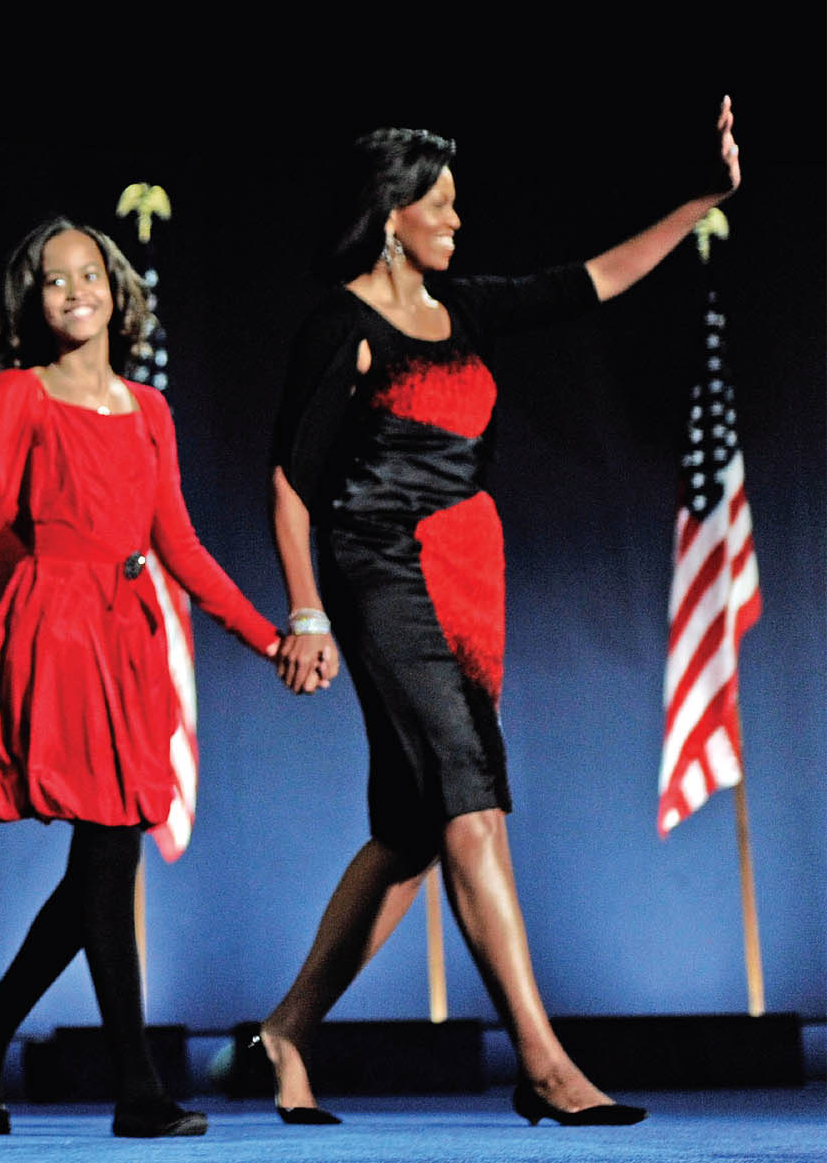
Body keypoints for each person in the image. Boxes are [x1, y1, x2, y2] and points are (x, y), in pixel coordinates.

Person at [246, 102, 742, 1127]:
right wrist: (303, 612)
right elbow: (291, 484)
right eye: (441, 205)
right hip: (376, 570)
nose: (457, 221)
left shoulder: (463, 309)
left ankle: (285, 1028)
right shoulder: (338, 326)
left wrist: (704, 199)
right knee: (470, 804)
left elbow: (594, 279)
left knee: (410, 830)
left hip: (467, 574)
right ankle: (543, 1063)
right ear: (391, 215)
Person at [0, 219, 308, 1141]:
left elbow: (181, 545)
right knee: (110, 852)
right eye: (53, 279)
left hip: (130, 638)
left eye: (89, 273)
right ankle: (137, 1089)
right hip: (59, 632)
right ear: (33, 303)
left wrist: (267, 635)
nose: (74, 288)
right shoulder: (16, 392)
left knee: (103, 863)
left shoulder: (149, 411)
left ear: (116, 290)